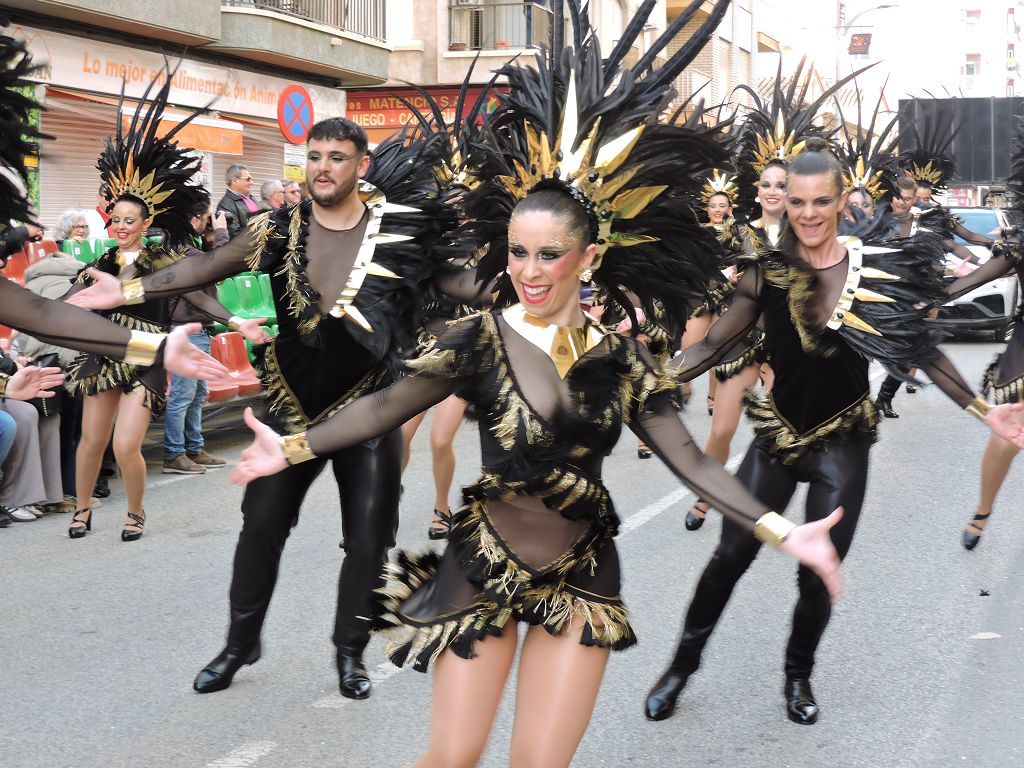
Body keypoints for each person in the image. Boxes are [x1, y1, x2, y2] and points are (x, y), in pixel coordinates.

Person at [229, 40, 848, 767]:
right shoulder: (477, 339)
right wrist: (292, 446)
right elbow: (385, 406)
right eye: (518, 251)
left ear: (589, 257)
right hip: (482, 564)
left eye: (549, 253)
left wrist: (783, 530)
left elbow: (692, 462)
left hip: (582, 573)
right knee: (452, 758)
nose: (528, 270)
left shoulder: (623, 361)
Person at [68, 117, 477, 700]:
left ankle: (349, 651)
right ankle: (240, 645)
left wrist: (543, 281)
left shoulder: (398, 230)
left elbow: (467, 284)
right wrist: (128, 290)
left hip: (369, 410)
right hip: (287, 408)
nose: (323, 168)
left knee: (368, 541)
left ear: (361, 165)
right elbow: (205, 268)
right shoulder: (278, 228)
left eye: (337, 157)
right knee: (260, 528)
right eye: (314, 156)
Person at [644, 141, 1024, 728]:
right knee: (729, 556)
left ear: (843, 200)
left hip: (843, 442)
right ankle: (680, 668)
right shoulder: (767, 269)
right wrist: (652, 380)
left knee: (818, 574)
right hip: (777, 437)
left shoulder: (876, 268)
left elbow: (920, 348)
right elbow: (716, 343)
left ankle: (798, 675)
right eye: (797, 201)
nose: (808, 213)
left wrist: (981, 410)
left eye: (821, 201)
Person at [64, 65, 236, 543]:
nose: (120, 226)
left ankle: (135, 512)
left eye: (129, 220)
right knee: (91, 441)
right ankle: (82, 509)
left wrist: (235, 319)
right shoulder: (99, 261)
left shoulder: (164, 261)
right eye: (115, 218)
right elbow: (67, 302)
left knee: (125, 445)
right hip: (104, 353)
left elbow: (199, 295)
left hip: (146, 356)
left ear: (146, 222)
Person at [162, 206, 269, 475]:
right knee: (182, 395)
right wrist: (220, 233)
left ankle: (194, 448)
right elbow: (220, 266)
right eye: (204, 218)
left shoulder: (189, 248)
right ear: (193, 220)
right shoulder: (181, 251)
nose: (207, 222)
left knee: (196, 393)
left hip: (198, 328)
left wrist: (211, 237)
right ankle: (174, 454)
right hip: (186, 330)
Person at [216, 164, 259, 239]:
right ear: (235, 181)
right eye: (248, 179)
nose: (252, 183)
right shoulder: (225, 205)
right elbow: (235, 235)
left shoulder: (250, 198)